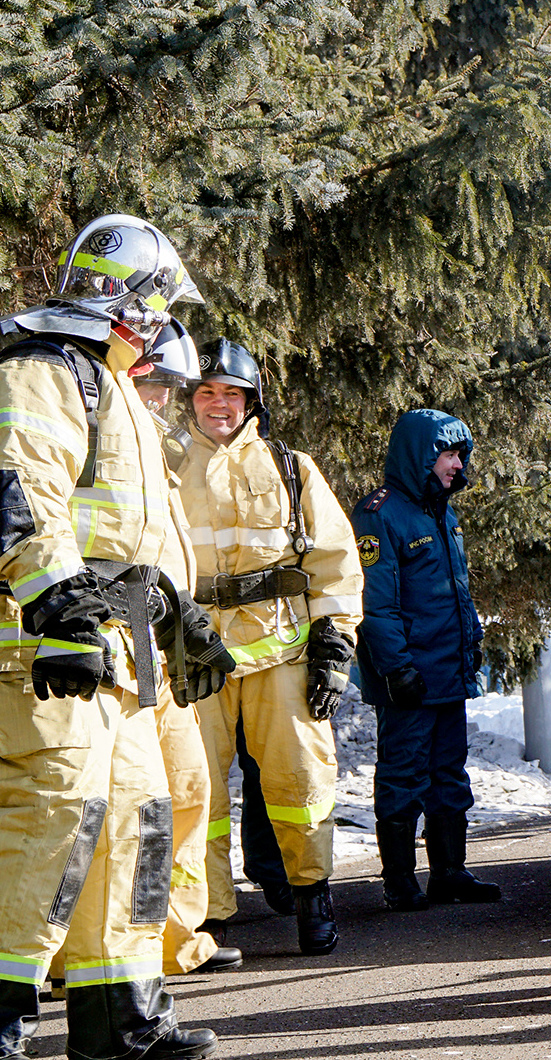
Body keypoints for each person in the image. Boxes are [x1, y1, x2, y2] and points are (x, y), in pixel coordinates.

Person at [0, 214, 231, 1057]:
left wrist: (179, 614)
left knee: (138, 820)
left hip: (119, 656)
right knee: (52, 823)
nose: (164, 322)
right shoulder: (45, 371)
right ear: (131, 299)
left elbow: (131, 536)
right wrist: (58, 609)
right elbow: (21, 490)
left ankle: (122, 1019)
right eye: (160, 304)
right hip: (49, 651)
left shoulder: (112, 383)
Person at [177, 338, 363, 957]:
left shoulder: (292, 467)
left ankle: (313, 896)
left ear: (250, 399)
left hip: (280, 654)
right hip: (193, 655)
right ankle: (206, 917)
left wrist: (334, 640)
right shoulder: (164, 464)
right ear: (191, 399)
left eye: (230, 393)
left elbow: (335, 559)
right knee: (192, 789)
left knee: (300, 780)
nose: (218, 404)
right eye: (206, 392)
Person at [128, 329, 245, 977]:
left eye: (167, 389)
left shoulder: (152, 448)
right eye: (157, 385)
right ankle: (76, 956)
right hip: (117, 652)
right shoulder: (103, 438)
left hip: (165, 648)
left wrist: (185, 619)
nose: (164, 399)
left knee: (188, 791)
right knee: (126, 807)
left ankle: (176, 940)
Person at [351, 409, 501, 911]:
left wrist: (472, 639)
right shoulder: (380, 513)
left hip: (448, 671)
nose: (457, 464)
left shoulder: (442, 512)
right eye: (448, 454)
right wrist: (396, 667)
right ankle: (399, 880)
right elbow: (376, 603)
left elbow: (455, 589)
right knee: (403, 776)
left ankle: (449, 873)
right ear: (420, 455)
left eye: (461, 454)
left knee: (449, 775)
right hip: (410, 677)